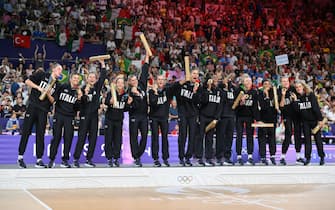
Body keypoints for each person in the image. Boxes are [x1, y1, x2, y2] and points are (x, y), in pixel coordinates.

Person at [17, 63, 62, 168]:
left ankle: (39, 159)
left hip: (44, 110)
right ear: (53, 69)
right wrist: (38, 88)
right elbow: (27, 81)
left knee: (40, 134)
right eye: (59, 69)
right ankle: (20, 157)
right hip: (33, 106)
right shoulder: (42, 75)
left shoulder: (58, 84)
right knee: (26, 131)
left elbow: (53, 101)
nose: (60, 72)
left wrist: (48, 93)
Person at [73, 59, 107, 168]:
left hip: (94, 117)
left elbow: (103, 77)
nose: (92, 79)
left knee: (93, 138)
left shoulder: (97, 87)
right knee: (81, 137)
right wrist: (84, 95)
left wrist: (102, 65)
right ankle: (76, 159)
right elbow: (79, 104)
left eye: (94, 77)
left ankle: (89, 159)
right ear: (87, 79)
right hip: (84, 116)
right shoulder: (82, 89)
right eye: (90, 77)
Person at [48, 73, 83, 168]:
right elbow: (54, 98)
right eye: (74, 78)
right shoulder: (62, 86)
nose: (76, 79)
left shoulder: (78, 92)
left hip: (70, 117)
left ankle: (65, 160)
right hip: (59, 115)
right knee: (56, 137)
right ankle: (51, 159)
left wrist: (79, 98)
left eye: (78, 78)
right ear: (70, 79)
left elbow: (77, 108)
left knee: (68, 138)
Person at [291, 80, 325, 166]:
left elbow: (316, 108)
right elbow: (297, 111)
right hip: (305, 122)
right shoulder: (297, 97)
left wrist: (320, 120)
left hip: (314, 121)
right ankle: (308, 158)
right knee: (307, 141)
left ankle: (322, 157)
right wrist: (295, 101)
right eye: (297, 87)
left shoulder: (310, 95)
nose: (298, 88)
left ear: (303, 86)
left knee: (318, 140)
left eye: (299, 86)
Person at [174, 68, 201, 166]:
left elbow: (198, 101)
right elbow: (176, 93)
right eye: (194, 73)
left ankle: (188, 157)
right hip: (183, 113)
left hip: (193, 114)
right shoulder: (182, 85)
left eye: (197, 74)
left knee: (192, 136)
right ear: (189, 74)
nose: (195, 75)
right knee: (182, 135)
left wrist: (195, 92)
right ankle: (181, 157)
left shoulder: (198, 87)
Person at [127, 53, 150, 167]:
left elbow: (145, 71)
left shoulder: (142, 85)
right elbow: (129, 106)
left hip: (144, 116)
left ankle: (139, 154)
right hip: (134, 116)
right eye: (132, 80)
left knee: (145, 136)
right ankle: (136, 157)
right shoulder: (128, 92)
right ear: (130, 82)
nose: (135, 81)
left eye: (135, 79)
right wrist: (134, 96)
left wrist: (146, 58)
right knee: (134, 137)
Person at [148, 74, 174, 167]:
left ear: (165, 81)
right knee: (155, 138)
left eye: (162, 79)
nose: (160, 81)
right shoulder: (151, 92)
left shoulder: (168, 91)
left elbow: (175, 86)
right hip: (154, 117)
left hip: (164, 117)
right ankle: (155, 158)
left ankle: (165, 158)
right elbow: (153, 103)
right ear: (156, 81)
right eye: (159, 79)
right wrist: (155, 92)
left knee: (164, 138)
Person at [195, 77, 223, 166]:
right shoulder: (203, 91)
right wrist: (208, 89)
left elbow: (220, 106)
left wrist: (216, 118)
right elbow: (203, 101)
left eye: (214, 81)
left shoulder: (219, 92)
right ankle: (199, 157)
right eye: (210, 81)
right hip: (203, 116)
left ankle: (208, 157)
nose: (213, 83)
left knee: (210, 138)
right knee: (200, 137)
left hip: (212, 118)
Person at [104, 75, 130, 167]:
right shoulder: (111, 92)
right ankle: (109, 158)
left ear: (124, 85)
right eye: (118, 82)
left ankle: (116, 158)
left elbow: (125, 109)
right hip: (109, 120)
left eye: (122, 83)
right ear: (115, 84)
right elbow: (106, 102)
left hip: (119, 121)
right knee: (108, 139)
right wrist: (110, 101)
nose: (120, 84)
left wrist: (129, 104)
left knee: (118, 140)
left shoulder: (125, 95)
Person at [234, 74, 260, 165]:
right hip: (239, 116)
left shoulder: (254, 92)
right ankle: (238, 156)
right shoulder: (238, 91)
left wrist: (257, 118)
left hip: (250, 117)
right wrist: (241, 102)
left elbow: (255, 106)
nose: (249, 83)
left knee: (250, 136)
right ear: (243, 82)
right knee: (239, 136)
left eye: (250, 81)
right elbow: (234, 106)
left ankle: (250, 156)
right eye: (247, 81)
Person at [278, 76, 304, 165]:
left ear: (289, 82)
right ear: (281, 83)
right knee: (288, 133)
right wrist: (283, 95)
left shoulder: (294, 89)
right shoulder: (279, 91)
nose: (285, 82)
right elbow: (281, 106)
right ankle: (282, 157)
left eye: (286, 81)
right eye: (283, 81)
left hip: (296, 115)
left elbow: (301, 96)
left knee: (298, 134)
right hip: (286, 115)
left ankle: (298, 156)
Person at [216, 74, 236, 165]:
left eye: (228, 79)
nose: (227, 80)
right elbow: (221, 100)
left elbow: (236, 99)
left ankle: (227, 156)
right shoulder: (219, 89)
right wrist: (225, 88)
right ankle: (219, 156)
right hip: (222, 116)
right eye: (225, 79)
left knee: (229, 137)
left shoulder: (233, 89)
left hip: (231, 116)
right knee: (220, 137)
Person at [258, 79, 278, 165]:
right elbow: (263, 107)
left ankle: (273, 156)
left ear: (270, 85)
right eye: (265, 84)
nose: (266, 85)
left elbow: (275, 107)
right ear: (262, 86)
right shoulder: (259, 94)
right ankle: (263, 157)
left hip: (272, 119)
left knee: (272, 138)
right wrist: (266, 96)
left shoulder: (274, 94)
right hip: (263, 120)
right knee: (262, 138)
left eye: (268, 84)